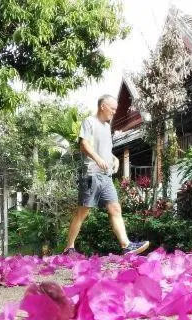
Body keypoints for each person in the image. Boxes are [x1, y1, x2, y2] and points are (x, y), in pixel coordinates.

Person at [63, 95, 150, 255]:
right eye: (112, 108)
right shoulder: (89, 122)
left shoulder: (105, 127)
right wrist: (97, 159)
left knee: (115, 208)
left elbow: (105, 151)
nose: (114, 112)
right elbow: (84, 145)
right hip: (91, 174)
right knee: (83, 211)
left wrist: (114, 159)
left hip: (106, 176)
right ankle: (69, 247)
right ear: (103, 106)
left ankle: (126, 245)